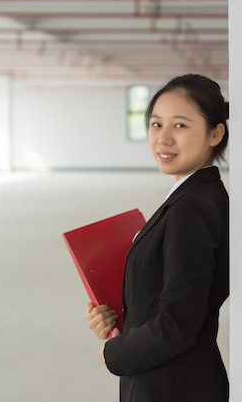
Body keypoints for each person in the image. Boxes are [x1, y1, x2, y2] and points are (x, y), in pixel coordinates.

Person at [85, 74, 230, 402]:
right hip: (171, 378)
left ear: (215, 133)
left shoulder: (193, 208)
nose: (163, 139)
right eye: (155, 124)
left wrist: (115, 353)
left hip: (173, 385)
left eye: (180, 126)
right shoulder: (192, 196)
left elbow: (177, 323)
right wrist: (116, 320)